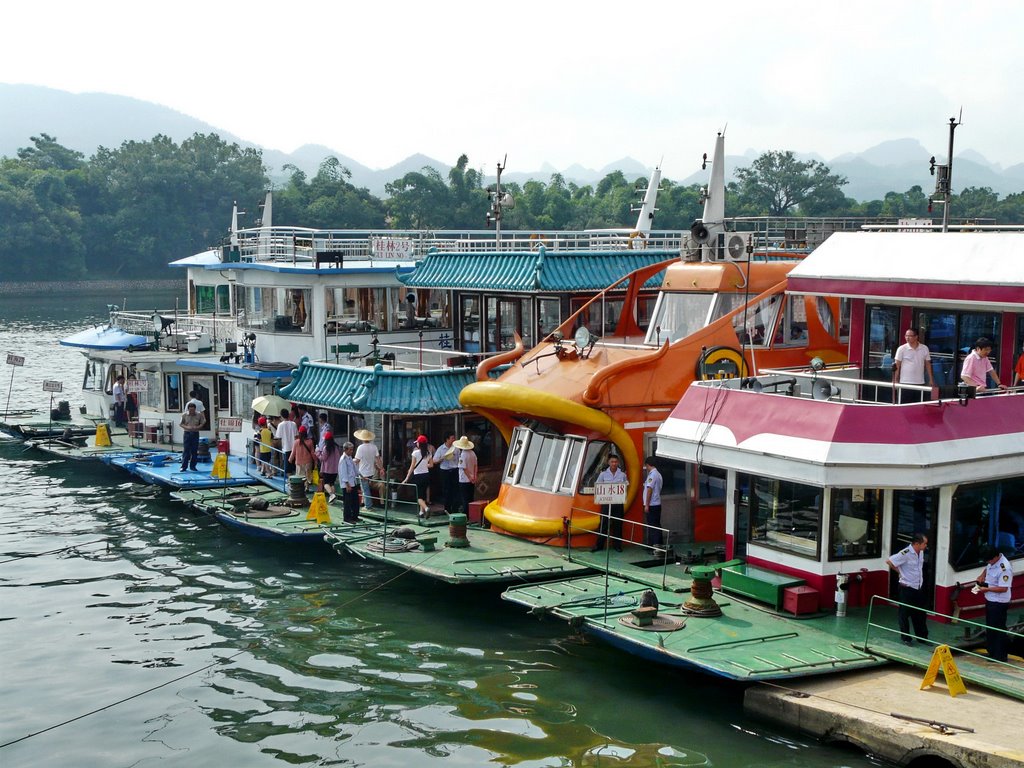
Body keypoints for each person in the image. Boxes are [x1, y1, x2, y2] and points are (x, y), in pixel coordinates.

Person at [886, 533, 929, 646]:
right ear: (917, 544)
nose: (926, 546)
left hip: (918, 588)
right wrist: (900, 572)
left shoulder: (921, 553)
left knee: (920, 613)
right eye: (924, 543)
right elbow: (890, 561)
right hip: (907, 588)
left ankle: (922, 637)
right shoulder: (905, 553)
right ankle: (906, 638)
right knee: (904, 613)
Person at [975, 545, 1013, 663]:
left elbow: (1003, 588)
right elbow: (988, 568)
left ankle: (1000, 656)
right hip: (990, 599)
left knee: (998, 629)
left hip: (998, 602)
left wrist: (986, 589)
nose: (989, 562)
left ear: (996, 557)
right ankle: (992, 652)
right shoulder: (992, 562)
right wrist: (982, 575)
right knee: (991, 628)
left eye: (990, 560)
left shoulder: (1005, 568)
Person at [592, 455, 628, 552]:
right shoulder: (603, 474)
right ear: (609, 462)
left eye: (616, 462)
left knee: (618, 524)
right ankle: (599, 545)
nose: (614, 464)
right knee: (603, 524)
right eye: (612, 462)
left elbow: (625, 486)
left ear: (618, 463)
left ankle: (617, 545)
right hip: (606, 502)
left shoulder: (622, 475)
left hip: (618, 503)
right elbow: (598, 486)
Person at [893, 328, 934, 403]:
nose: (907, 338)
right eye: (906, 336)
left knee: (917, 405)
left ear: (916, 337)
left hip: (920, 382)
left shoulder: (924, 348)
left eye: (910, 336)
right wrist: (895, 380)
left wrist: (931, 379)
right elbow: (897, 365)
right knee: (904, 405)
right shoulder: (901, 349)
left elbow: (928, 364)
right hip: (905, 382)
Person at [404, 435, 433, 518]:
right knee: (423, 494)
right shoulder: (428, 453)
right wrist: (424, 465)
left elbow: (412, 466)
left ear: (419, 444)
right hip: (426, 475)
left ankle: (426, 508)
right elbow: (431, 465)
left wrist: (407, 478)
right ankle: (421, 513)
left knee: (418, 497)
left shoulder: (415, 453)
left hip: (418, 476)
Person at [353, 428, 382, 511]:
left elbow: (357, 460)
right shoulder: (374, 447)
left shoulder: (360, 448)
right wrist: (381, 468)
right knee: (367, 488)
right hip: (371, 471)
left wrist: (350, 460)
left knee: (365, 489)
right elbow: (378, 459)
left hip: (363, 472)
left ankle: (368, 506)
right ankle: (366, 503)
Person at [433, 433, 459, 513]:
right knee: (446, 490)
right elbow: (434, 460)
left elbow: (459, 458)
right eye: (452, 438)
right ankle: (447, 508)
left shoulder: (456, 448)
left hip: (454, 470)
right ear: (447, 439)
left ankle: (455, 508)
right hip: (445, 471)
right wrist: (441, 458)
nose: (453, 440)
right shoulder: (441, 449)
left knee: (455, 489)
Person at [642, 456, 663, 550]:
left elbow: (649, 489)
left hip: (652, 504)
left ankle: (654, 546)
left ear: (648, 465)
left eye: (646, 466)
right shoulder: (658, 474)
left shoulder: (652, 475)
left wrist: (647, 504)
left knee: (653, 526)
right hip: (656, 503)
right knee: (656, 525)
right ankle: (656, 545)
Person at [179, 402, 206, 472]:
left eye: (193, 410)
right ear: (188, 409)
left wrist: (198, 427)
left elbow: (203, 422)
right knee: (186, 450)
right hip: (187, 433)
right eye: (190, 410)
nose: (192, 412)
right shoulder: (184, 415)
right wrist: (187, 427)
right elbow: (181, 424)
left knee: (194, 450)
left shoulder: (199, 415)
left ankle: (193, 466)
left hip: (195, 433)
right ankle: (183, 467)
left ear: (195, 409)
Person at [454, 436, 477, 517]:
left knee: (465, 499)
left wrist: (470, 477)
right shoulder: (473, 453)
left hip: (464, 480)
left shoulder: (463, 455)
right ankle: (472, 515)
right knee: (471, 498)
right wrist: (474, 476)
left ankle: (465, 515)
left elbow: (464, 468)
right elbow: (475, 466)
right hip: (472, 479)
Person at [316, 432, 341, 506]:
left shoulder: (326, 448)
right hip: (335, 469)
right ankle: (332, 499)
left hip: (327, 469)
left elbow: (322, 458)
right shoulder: (336, 447)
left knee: (326, 483)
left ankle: (331, 495)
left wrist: (317, 452)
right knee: (332, 483)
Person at [338, 441, 361, 522]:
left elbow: (354, 469)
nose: (352, 451)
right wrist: (347, 484)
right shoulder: (343, 459)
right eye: (350, 450)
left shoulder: (350, 458)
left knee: (355, 501)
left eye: (352, 450)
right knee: (347, 502)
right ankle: (347, 518)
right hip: (347, 484)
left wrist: (361, 475)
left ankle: (355, 516)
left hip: (353, 482)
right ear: (345, 450)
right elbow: (343, 473)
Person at [290, 425, 316, 490]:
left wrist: (290, 459)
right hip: (308, 462)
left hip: (299, 462)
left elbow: (293, 453)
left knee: (299, 476)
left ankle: (301, 488)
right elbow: (313, 453)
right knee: (307, 475)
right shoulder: (310, 441)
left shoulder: (296, 442)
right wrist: (315, 461)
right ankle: (306, 487)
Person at [275, 408, 298, 475]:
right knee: (294, 466)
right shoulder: (293, 424)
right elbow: (296, 435)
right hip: (294, 447)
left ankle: (289, 481)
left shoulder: (280, 425)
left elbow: (278, 436)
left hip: (286, 448)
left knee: (287, 467)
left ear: (281, 416)